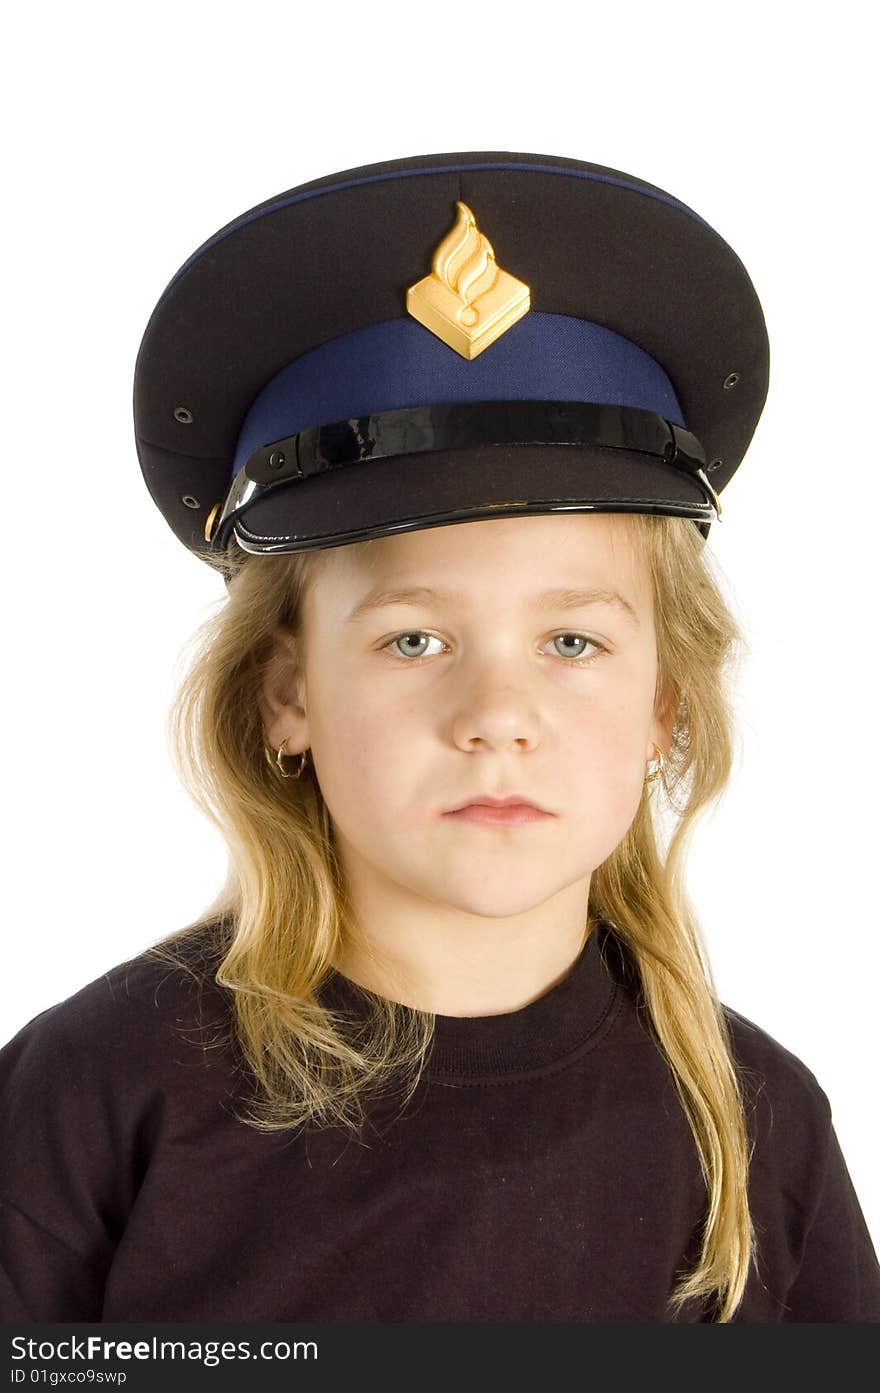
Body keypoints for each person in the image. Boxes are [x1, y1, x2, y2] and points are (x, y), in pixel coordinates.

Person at [1, 150, 878, 1325]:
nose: (496, 719)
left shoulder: (757, 1126)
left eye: (572, 643)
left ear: (665, 701)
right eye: (414, 640)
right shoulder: (95, 1097)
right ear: (287, 694)